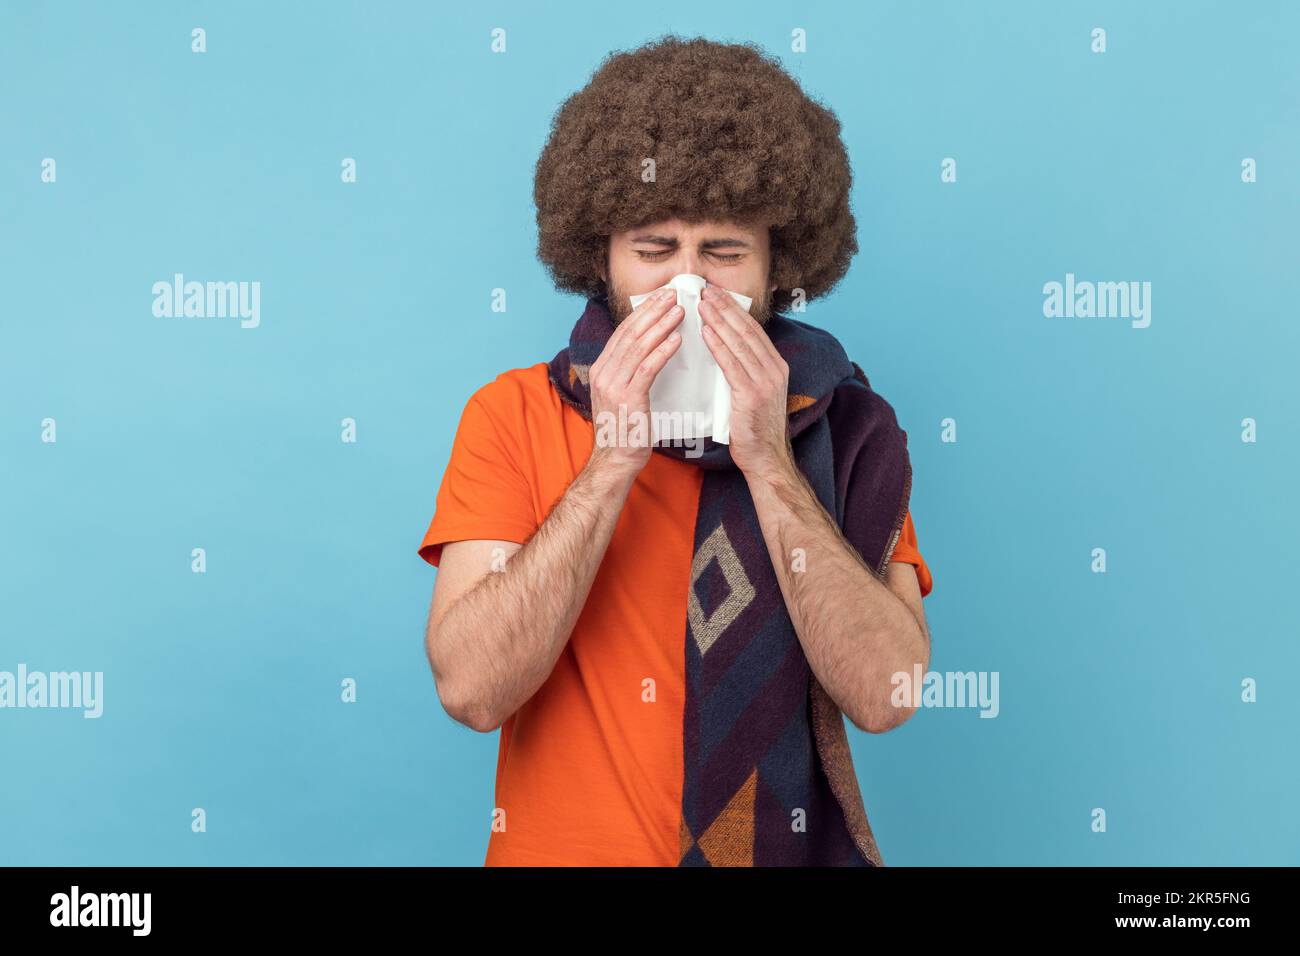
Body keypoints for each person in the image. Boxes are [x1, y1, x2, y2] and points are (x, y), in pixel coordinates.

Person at [417, 35, 933, 866]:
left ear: (778, 267)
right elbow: (473, 691)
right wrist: (614, 457)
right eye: (654, 252)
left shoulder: (846, 430)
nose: (687, 285)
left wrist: (770, 461)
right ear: (601, 261)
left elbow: (888, 695)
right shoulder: (511, 413)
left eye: (724, 253)